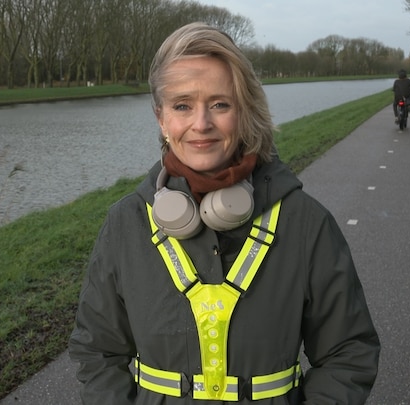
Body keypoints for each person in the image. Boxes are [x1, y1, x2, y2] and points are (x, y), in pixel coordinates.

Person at [68, 22, 380, 404]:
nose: (201, 124)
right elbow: (97, 352)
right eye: (182, 105)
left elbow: (348, 353)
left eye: (220, 104)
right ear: (161, 119)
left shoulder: (306, 224)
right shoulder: (125, 225)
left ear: (244, 111)